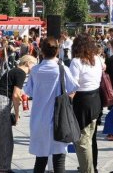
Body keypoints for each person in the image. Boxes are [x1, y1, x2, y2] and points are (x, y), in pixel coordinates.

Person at [24, 37, 79, 173]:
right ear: (57, 51)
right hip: (59, 120)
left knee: (40, 160)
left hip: (39, 120)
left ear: (41, 51)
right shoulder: (62, 69)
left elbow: (29, 91)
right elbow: (73, 88)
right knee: (59, 160)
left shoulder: (35, 70)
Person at [0, 55, 37, 172]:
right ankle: (3, 169)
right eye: (34, 64)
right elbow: (15, 95)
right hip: (1, 103)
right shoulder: (21, 73)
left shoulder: (14, 71)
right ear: (28, 63)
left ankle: (3, 168)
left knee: (3, 140)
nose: (35, 67)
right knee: (5, 140)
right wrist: (17, 114)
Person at [69, 33, 102, 173]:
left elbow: (72, 86)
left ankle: (87, 170)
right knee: (90, 137)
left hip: (82, 102)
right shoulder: (98, 59)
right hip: (95, 100)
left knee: (82, 141)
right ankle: (91, 167)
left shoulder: (77, 62)